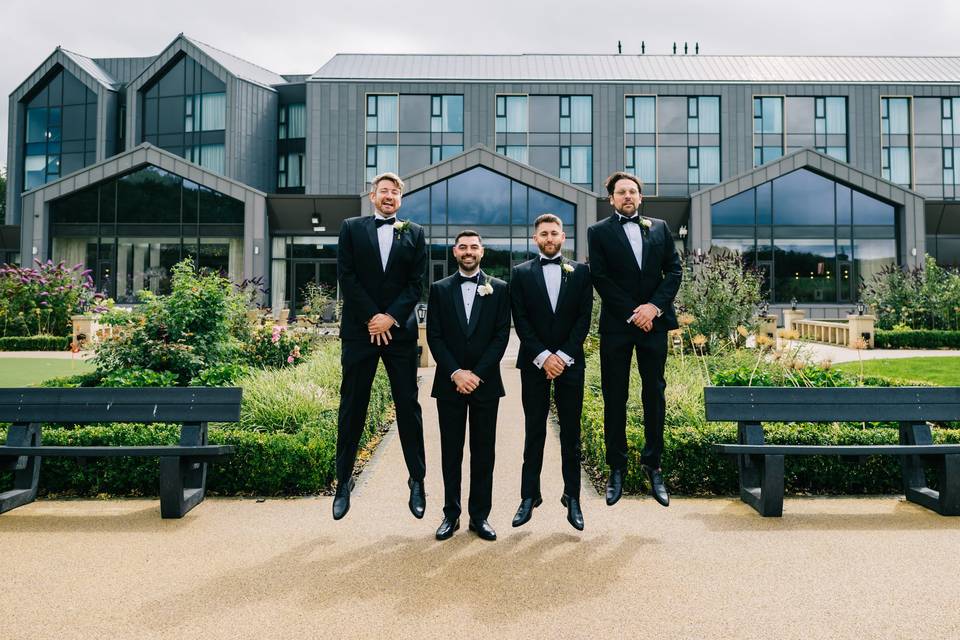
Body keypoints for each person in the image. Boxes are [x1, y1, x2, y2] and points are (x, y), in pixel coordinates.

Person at [333, 172, 427, 521]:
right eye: (383, 191)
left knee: (408, 407)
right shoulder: (351, 228)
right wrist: (374, 316)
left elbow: (416, 284)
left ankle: (417, 481)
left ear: (400, 200)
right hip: (360, 333)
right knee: (352, 405)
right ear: (373, 196)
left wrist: (391, 318)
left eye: (395, 192)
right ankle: (343, 482)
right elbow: (347, 276)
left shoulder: (414, 233)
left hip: (399, 334)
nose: (389, 196)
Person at [587, 171, 682, 508]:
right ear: (611, 199)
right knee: (616, 395)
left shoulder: (659, 228)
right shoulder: (597, 232)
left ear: (641, 197)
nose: (627, 196)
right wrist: (633, 312)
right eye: (621, 192)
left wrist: (653, 308)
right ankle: (617, 467)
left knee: (654, 393)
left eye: (633, 192)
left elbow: (674, 270)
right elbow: (599, 275)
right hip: (618, 325)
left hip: (653, 325)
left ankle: (653, 464)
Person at [509, 213, 592, 531]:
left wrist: (564, 356)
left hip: (571, 364)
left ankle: (572, 497)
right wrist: (544, 356)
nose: (549, 238)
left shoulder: (582, 273)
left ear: (563, 238)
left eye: (554, 233)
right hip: (534, 363)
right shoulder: (520, 273)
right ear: (535, 239)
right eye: (543, 234)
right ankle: (529, 496)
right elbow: (521, 319)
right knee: (534, 431)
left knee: (571, 434)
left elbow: (583, 318)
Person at [426, 230, 510, 541]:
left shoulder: (499, 289)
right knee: (451, 452)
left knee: (483, 452)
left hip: (486, 385)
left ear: (482, 252)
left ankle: (480, 516)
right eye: (463, 247)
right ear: (454, 252)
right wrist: (456, 373)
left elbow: (501, 335)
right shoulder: (439, 289)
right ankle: (451, 514)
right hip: (449, 385)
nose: (469, 251)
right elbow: (434, 335)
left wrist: (476, 374)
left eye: (474, 246)